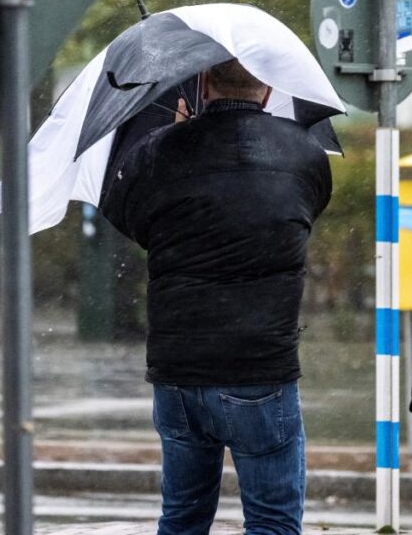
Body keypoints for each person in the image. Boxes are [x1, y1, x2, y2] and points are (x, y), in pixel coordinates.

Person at [100, 59, 333, 535]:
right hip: (260, 367)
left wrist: (175, 145)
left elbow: (135, 221)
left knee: (182, 518)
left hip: (178, 369)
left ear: (203, 84)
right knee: (272, 522)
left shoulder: (159, 151)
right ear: (267, 90)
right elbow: (305, 209)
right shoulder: (306, 153)